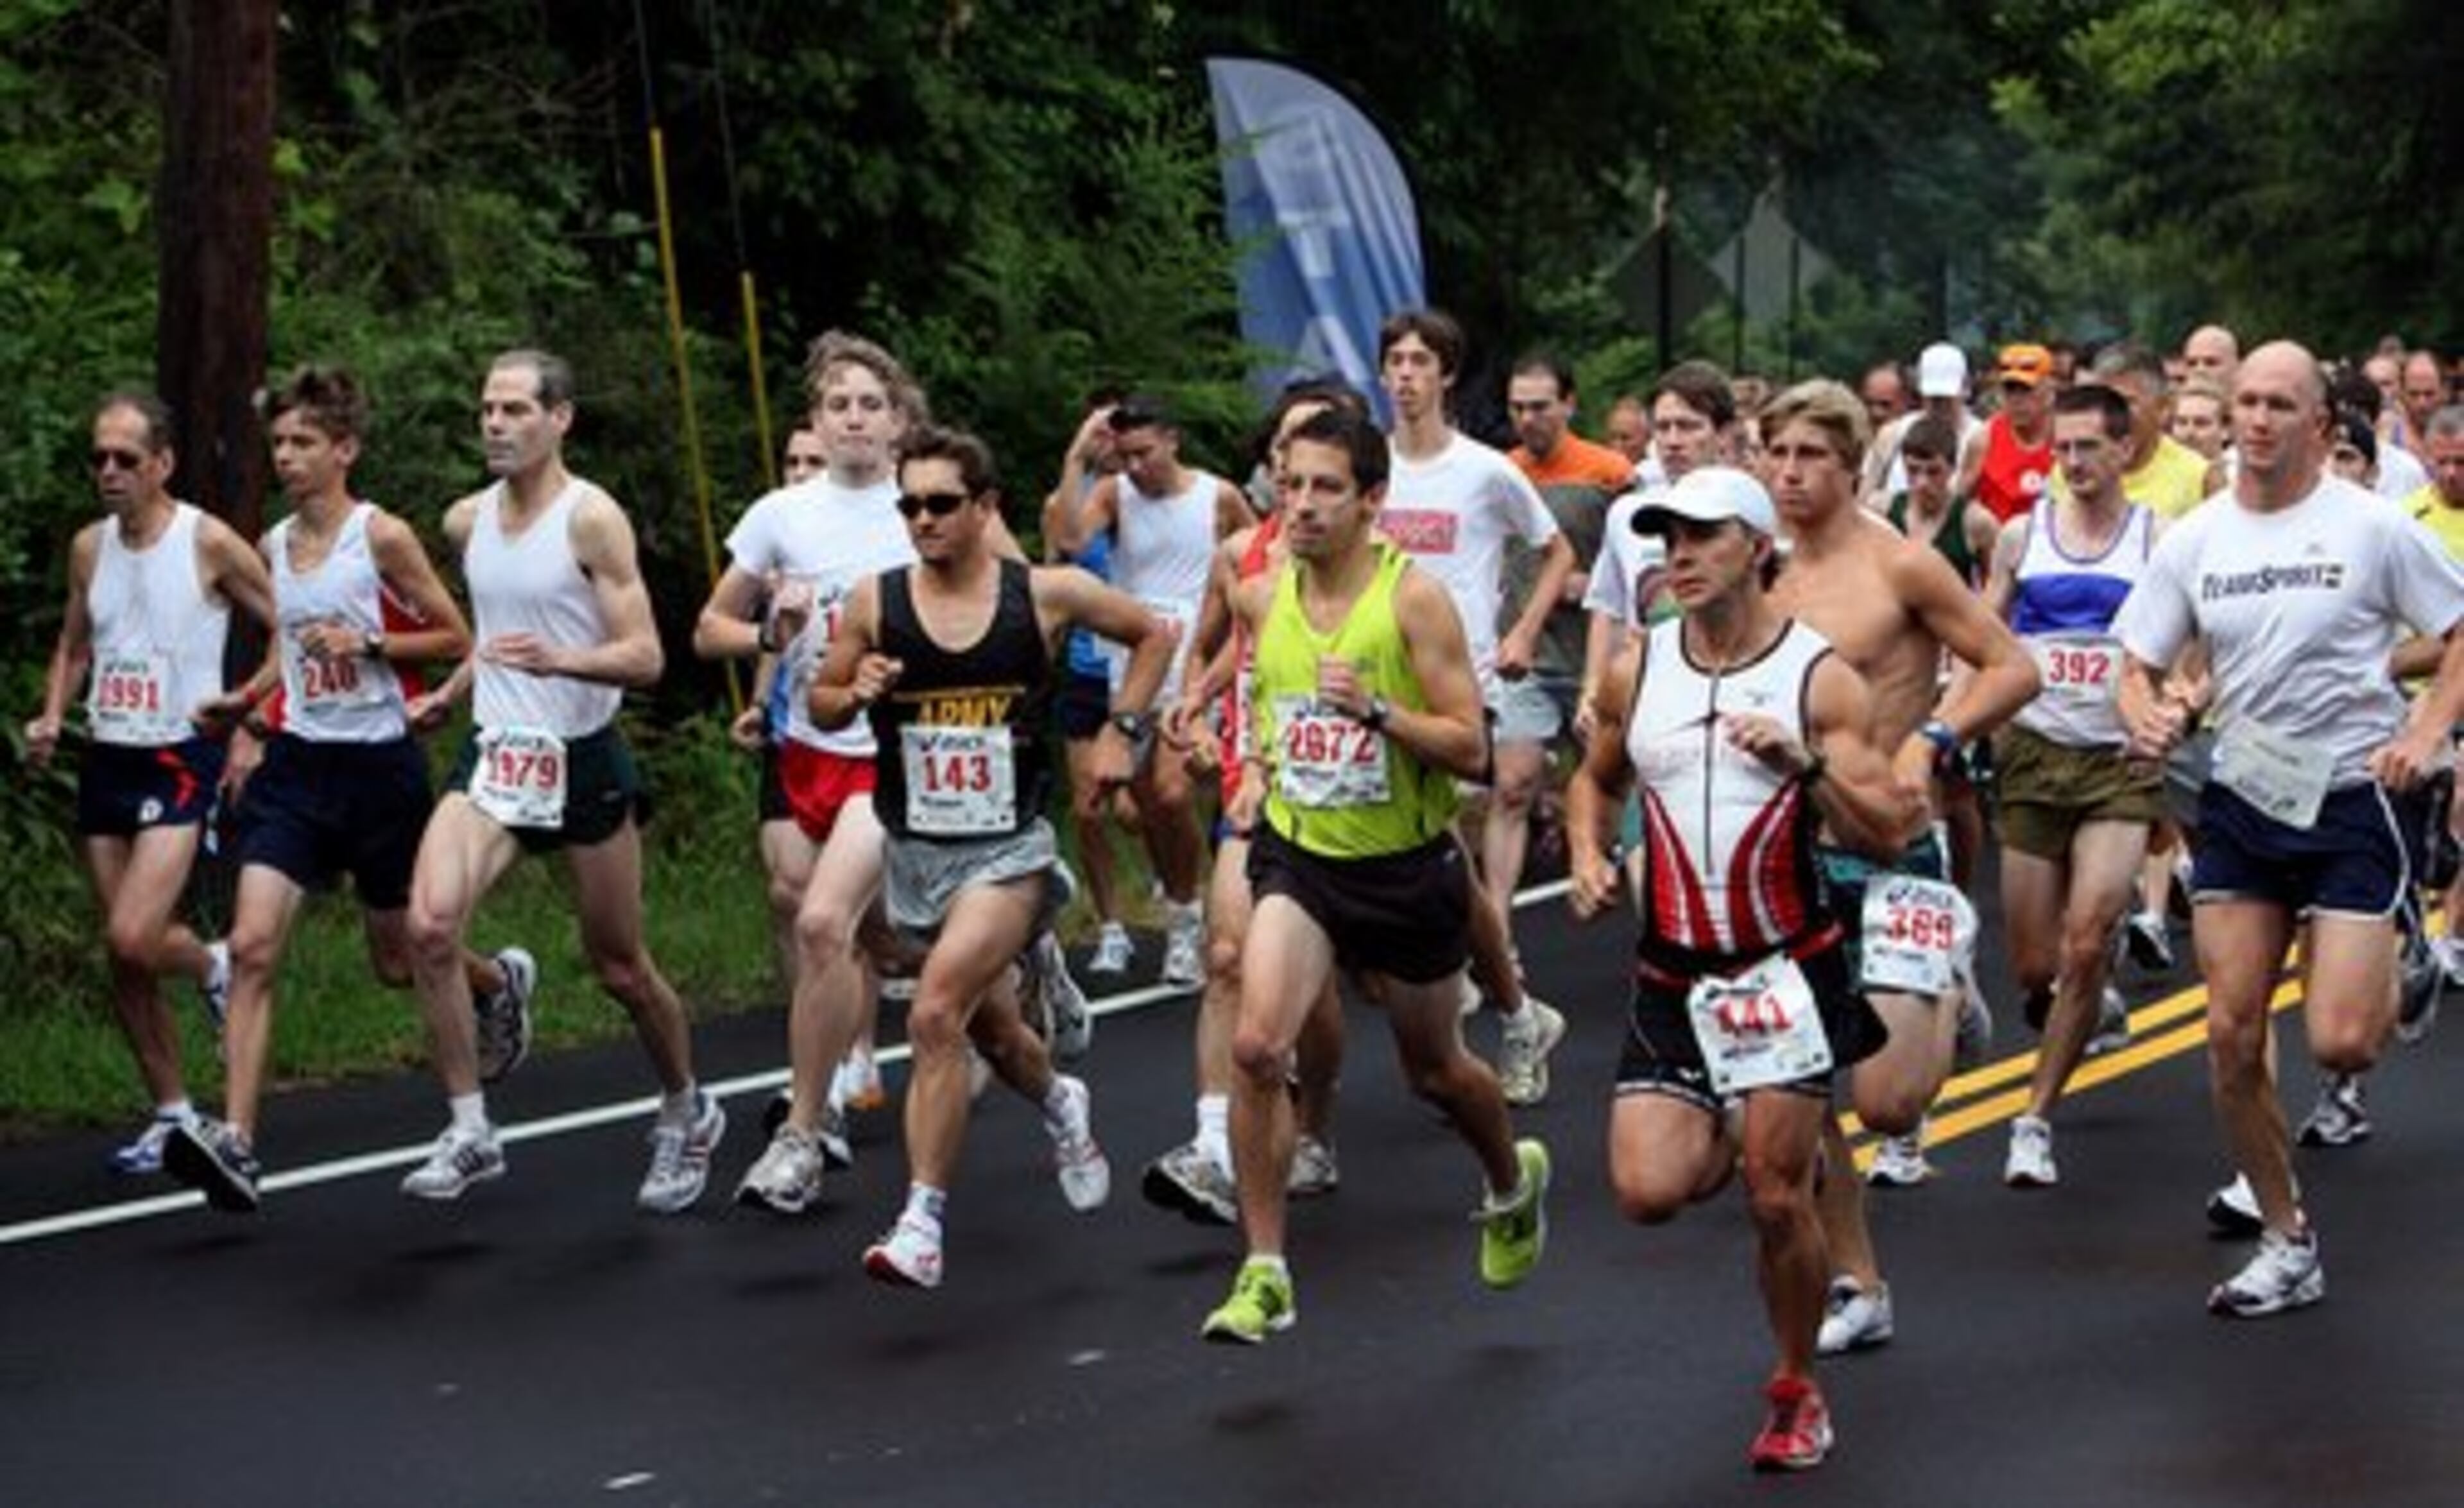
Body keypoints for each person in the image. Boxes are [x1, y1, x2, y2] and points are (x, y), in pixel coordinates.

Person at [1568, 465, 1919, 1473]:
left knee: (1775, 1195)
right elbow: (1591, 784)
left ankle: (1797, 1388)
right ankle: (1743, 1112)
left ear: (1755, 548)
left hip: (1786, 968)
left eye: (1699, 536)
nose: (1675, 555)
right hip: (1674, 971)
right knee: (1645, 1190)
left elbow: (1891, 827)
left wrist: (1806, 763)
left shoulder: (1821, 678)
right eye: (1664, 537)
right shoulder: (1636, 670)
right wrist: (1590, 854)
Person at [2115, 341, 2464, 1317]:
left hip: (2353, 796)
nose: (2257, 420)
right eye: (2245, 404)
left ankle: (2406, 959)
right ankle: (2287, 1235)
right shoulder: (2197, 539)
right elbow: (2134, 660)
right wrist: (2143, 711)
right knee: (2231, 1034)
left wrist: (2426, 729)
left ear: (2318, 423)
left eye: (2278, 404)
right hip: (2243, 799)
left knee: (2345, 1040)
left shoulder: (2371, 527)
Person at [1197, 402, 1548, 1345]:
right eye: (1291, 484)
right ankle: (1265, 1268)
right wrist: (1260, 767)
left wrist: (1382, 713)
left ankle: (1512, 1182)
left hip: (1406, 868)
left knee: (1437, 1072)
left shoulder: (1411, 600)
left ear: (1373, 501)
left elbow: (1474, 748)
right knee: (1258, 1048)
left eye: (1326, 489)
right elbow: (1266, 696)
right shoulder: (1261, 589)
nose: (1301, 505)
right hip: (1302, 858)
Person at [808, 423, 1174, 1289]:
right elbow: (820, 699)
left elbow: (1153, 634)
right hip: (919, 852)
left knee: (933, 1014)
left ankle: (920, 1224)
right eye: (910, 505)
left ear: (985, 508)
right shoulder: (875, 601)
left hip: (1009, 850)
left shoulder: (1043, 593)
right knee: (996, 1032)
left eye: (941, 503)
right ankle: (1059, 1099)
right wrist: (848, 692)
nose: (923, 519)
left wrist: (1124, 730)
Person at [162, 365, 535, 1211]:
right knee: (253, 946)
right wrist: (248, 704)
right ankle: (239, 1143)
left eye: (304, 442)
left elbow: (453, 634)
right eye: (281, 442)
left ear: (345, 449)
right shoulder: (270, 544)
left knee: (400, 959)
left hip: (379, 773)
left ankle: (495, 985)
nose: (287, 457)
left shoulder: (384, 536)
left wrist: (370, 646)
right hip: (298, 769)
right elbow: (286, 652)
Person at [397, 348, 723, 1211]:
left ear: (560, 419)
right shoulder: (466, 522)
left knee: (619, 966)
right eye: (487, 410)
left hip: (581, 760)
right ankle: (469, 1128)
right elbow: (499, 629)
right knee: (427, 926)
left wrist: (564, 660)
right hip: (498, 754)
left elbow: (648, 655)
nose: (496, 425)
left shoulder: (592, 520)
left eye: (514, 410)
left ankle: (687, 1105)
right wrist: (454, 690)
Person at [1755, 380, 2039, 1355]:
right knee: (1792, 1093)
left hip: (1891, 849)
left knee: (1887, 1103)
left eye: (1810, 457)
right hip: (1787, 858)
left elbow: (2011, 667)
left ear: (1849, 464)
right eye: (1777, 455)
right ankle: (1858, 1280)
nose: (1790, 474)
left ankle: (1950, 995)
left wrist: (1934, 738)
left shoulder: (1903, 566)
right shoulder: (1760, 575)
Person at [693, 332, 927, 1203]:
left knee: (826, 923)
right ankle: (1010, 962)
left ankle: (804, 1127)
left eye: (871, 404)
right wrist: (767, 634)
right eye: (839, 405)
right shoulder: (779, 515)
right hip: (808, 749)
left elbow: (1010, 596)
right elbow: (707, 627)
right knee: (842, 925)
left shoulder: (925, 502)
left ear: (897, 419)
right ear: (817, 424)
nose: (855, 419)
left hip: (895, 752)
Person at [24, 391, 275, 1174]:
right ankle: (172, 1115)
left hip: (177, 755)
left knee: (134, 934)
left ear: (162, 464)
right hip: (108, 755)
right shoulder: (90, 548)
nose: (108, 470)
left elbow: (288, 629)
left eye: (126, 459)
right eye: (99, 457)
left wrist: (245, 712)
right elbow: (74, 644)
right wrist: (51, 713)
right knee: (125, 959)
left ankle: (213, 965)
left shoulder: (209, 541)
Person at [1144, 384, 1362, 1223]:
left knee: (1365, 1012)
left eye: (1313, 456)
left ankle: (1316, 1123)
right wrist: (1196, 701)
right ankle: (1212, 1146)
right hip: (1255, 774)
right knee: (1230, 955)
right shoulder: (1243, 554)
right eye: (1283, 454)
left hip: (1350, 791)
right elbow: (1238, 646)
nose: (1295, 475)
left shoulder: (1375, 565)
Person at [1378, 310, 1572, 1104]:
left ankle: (1509, 1008)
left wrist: (1522, 629)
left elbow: (1557, 549)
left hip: (1462, 690)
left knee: (1440, 854)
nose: (1405, 374)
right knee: (1418, 869)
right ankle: (1504, 1004)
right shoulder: (1368, 468)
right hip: (1377, 691)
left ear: (1447, 375)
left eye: (1420, 360)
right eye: (1394, 360)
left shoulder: (1484, 470)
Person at [1981, 383, 2165, 1188]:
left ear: (2125, 450)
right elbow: (1984, 632)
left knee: (2085, 939)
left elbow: (2188, 641)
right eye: (2063, 448)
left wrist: (2175, 708)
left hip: (2117, 763)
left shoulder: (2159, 539)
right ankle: (2085, 998)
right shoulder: (2024, 538)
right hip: (2033, 752)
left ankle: (2033, 1119)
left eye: (2091, 446)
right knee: (2033, 967)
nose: (2075, 462)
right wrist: (1968, 716)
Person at [1047, 395, 1253, 989]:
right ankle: (1184, 907)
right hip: (1134, 663)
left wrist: (1240, 626)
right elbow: (1065, 538)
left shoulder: (1217, 496)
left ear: (1172, 440)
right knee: (1142, 807)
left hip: (1194, 663)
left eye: (1145, 453)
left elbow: (1262, 555)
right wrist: (1077, 459)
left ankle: (1190, 920)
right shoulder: (1115, 494)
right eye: (1126, 454)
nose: (1135, 465)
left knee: (1167, 792)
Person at [1040, 393, 1139, 977]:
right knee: (1089, 807)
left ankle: (1177, 891)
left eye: (1120, 427)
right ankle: (1112, 926)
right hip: (1086, 666)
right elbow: (1061, 551)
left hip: (1144, 667)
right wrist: (1078, 458)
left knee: (1137, 805)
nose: (1111, 437)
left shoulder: (1147, 499)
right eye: (1101, 427)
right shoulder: (1069, 502)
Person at [1956, 343, 2057, 524]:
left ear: (2049, 392)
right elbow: (1959, 499)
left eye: (2026, 390)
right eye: (2011, 390)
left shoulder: (2067, 437)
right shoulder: (1983, 439)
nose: (2018, 401)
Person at [2168, 379, 2230, 463]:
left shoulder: (2240, 474)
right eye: (2182, 422)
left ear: (2225, 430)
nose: (2189, 432)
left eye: (2201, 423)